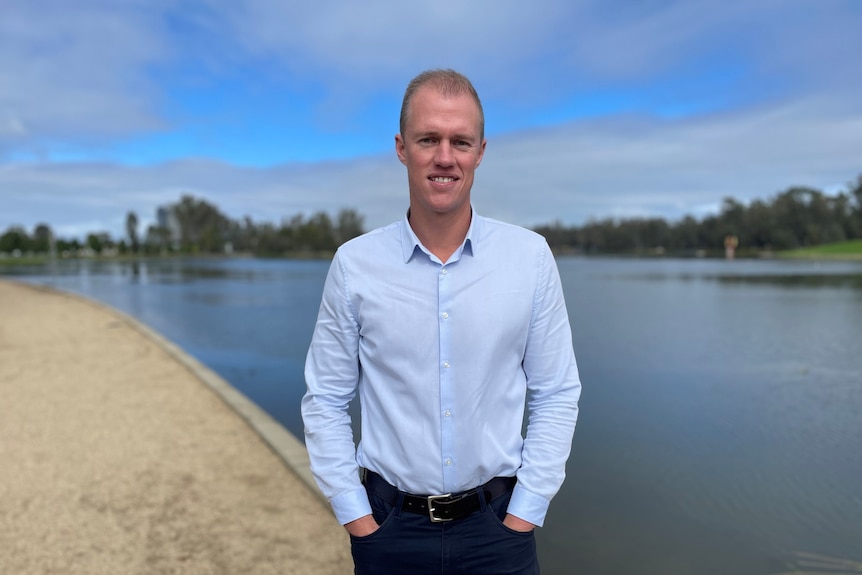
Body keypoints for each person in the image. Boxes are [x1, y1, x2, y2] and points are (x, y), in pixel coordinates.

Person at [301, 68, 582, 575]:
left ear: (480, 151)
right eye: (428, 138)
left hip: (499, 531)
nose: (445, 157)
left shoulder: (530, 258)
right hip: (389, 532)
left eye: (460, 141)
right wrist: (355, 514)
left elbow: (556, 391)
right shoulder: (354, 265)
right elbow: (324, 399)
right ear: (402, 147)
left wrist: (526, 510)